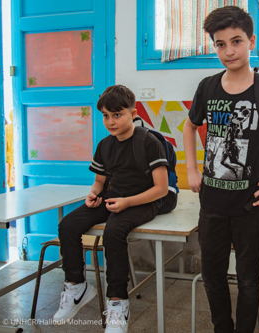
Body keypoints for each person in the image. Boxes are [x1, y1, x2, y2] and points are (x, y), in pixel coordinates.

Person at [182, 6, 259, 333]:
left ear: (251, 41)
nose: (229, 51)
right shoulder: (207, 87)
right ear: (214, 47)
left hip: (251, 207)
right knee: (213, 276)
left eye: (236, 41)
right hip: (212, 205)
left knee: (248, 279)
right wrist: (191, 170)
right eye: (220, 44)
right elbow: (190, 127)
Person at [53, 85, 170, 333]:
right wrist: (93, 195)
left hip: (143, 201)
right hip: (112, 198)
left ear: (133, 113)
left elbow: (161, 189)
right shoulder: (105, 145)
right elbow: (99, 182)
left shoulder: (149, 142)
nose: (111, 121)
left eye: (117, 114)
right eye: (106, 115)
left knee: (113, 231)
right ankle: (76, 285)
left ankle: (117, 302)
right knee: (68, 225)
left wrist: (128, 202)